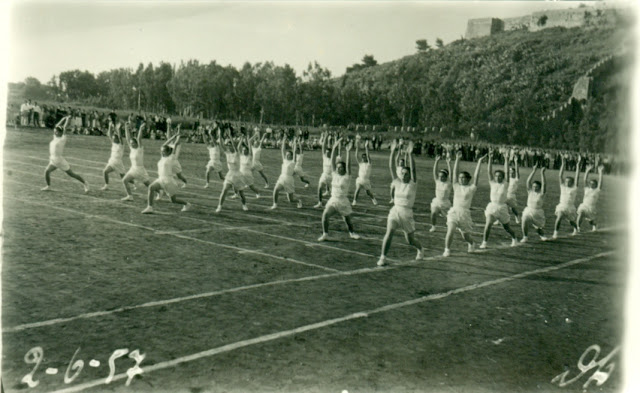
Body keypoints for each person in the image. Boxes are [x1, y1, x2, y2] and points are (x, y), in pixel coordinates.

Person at [377, 141, 423, 266]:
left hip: (407, 213)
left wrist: (410, 154)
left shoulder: (413, 185)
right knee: (389, 232)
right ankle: (383, 257)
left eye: (406, 174)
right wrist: (392, 151)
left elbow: (413, 169)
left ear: (410, 175)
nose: (403, 175)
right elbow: (391, 167)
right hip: (395, 211)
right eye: (402, 173)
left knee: (410, 240)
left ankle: (420, 249)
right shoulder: (397, 182)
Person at [443, 151, 486, 257]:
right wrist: (457, 159)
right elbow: (454, 173)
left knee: (465, 236)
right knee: (451, 229)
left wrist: (479, 162)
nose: (461, 179)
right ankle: (447, 249)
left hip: (464, 214)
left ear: (468, 179)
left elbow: (476, 177)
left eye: (464, 178)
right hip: (454, 211)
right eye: (460, 178)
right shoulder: (456, 186)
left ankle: (472, 243)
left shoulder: (471, 188)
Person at [318, 138, 361, 241]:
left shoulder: (347, 176)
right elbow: (332, 160)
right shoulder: (334, 174)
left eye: (341, 167)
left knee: (347, 220)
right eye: (338, 167)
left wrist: (348, 151)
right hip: (333, 200)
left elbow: (349, 164)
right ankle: (325, 234)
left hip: (343, 201)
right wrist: (334, 147)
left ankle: (352, 233)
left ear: (344, 169)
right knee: (325, 215)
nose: (339, 168)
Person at [142, 134, 191, 214]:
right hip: (160, 179)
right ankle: (149, 207)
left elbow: (175, 146)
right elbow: (163, 145)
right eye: (162, 152)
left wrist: (178, 138)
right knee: (151, 187)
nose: (162, 153)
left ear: (169, 152)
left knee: (173, 200)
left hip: (169, 181)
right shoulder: (163, 157)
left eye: (164, 151)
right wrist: (173, 136)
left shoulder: (172, 157)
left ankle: (187, 204)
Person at [479, 149, 518, 249]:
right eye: (496, 176)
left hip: (502, 207)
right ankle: (484, 242)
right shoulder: (492, 183)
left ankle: (514, 238)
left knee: (507, 228)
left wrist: (506, 159)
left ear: (503, 177)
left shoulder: (505, 184)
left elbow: (506, 172)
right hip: (492, 206)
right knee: (488, 224)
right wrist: (490, 158)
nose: (497, 177)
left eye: (500, 176)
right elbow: (489, 171)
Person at [41, 116, 90, 192]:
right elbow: (57, 126)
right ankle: (48, 186)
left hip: (60, 160)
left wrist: (67, 120)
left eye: (57, 131)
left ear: (60, 132)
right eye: (55, 131)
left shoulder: (62, 139)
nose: (55, 131)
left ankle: (85, 183)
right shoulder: (55, 137)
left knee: (72, 174)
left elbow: (64, 128)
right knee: (47, 171)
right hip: (53, 160)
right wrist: (63, 119)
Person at [216, 133, 249, 212]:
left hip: (238, 175)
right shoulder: (227, 153)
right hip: (230, 174)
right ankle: (219, 206)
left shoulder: (237, 153)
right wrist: (220, 134)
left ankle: (244, 205)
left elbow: (235, 146)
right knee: (224, 190)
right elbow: (221, 145)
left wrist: (230, 136)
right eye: (228, 145)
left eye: (230, 145)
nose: (229, 146)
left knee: (241, 194)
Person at [270, 136, 303, 209]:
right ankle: (275, 204)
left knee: (291, 200)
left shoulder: (293, 162)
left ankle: (298, 201)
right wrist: (284, 140)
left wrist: (295, 142)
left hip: (289, 180)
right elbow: (282, 150)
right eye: (286, 154)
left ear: (291, 156)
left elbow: (294, 152)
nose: (287, 155)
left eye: (289, 155)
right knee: (276, 189)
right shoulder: (284, 160)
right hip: (282, 177)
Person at [553, 155, 581, 238]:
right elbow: (560, 176)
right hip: (562, 206)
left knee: (571, 221)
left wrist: (578, 165)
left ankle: (576, 229)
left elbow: (577, 176)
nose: (567, 183)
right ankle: (555, 233)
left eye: (569, 182)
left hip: (570, 207)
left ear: (572, 182)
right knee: (559, 217)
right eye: (566, 181)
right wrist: (563, 163)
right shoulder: (563, 187)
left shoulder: (574, 188)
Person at [121, 121, 151, 201]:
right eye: (131, 143)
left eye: (133, 143)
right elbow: (127, 138)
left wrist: (141, 128)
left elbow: (139, 138)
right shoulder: (131, 148)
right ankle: (130, 196)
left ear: (137, 143)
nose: (131, 144)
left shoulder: (140, 148)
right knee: (124, 180)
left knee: (148, 185)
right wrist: (126, 128)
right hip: (133, 169)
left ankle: (159, 191)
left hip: (140, 169)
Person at [520, 164, 548, 242]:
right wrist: (533, 170)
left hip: (538, 212)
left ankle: (542, 235)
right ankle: (525, 237)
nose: (535, 188)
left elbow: (544, 184)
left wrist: (542, 173)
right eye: (534, 186)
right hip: (529, 210)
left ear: (539, 187)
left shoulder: (542, 193)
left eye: (537, 187)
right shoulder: (530, 191)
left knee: (538, 228)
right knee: (524, 219)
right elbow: (528, 181)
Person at [577, 163, 604, 232]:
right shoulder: (586, 189)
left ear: (596, 185)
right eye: (590, 183)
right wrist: (587, 171)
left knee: (591, 221)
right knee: (581, 213)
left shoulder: (597, 190)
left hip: (591, 208)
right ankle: (577, 228)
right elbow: (584, 180)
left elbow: (601, 181)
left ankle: (595, 225)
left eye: (593, 184)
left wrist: (600, 172)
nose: (591, 185)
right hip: (584, 205)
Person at [429, 153, 452, 232]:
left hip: (445, 203)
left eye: (443, 176)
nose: (441, 178)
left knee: (449, 219)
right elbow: (434, 172)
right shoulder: (437, 181)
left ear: (446, 177)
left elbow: (451, 174)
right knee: (433, 213)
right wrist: (436, 161)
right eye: (440, 176)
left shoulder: (449, 183)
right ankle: (433, 226)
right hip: (437, 201)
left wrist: (448, 163)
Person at [100, 121, 126, 190]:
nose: (113, 139)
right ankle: (106, 185)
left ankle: (133, 183)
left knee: (124, 177)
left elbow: (120, 137)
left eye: (115, 138)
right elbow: (109, 135)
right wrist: (110, 126)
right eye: (113, 138)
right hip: (112, 162)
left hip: (119, 163)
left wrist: (119, 129)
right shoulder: (113, 143)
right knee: (105, 171)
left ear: (117, 139)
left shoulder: (121, 145)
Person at [352, 139, 378, 206]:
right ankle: (354, 201)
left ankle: (373, 199)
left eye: (365, 157)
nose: (364, 158)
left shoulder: (369, 163)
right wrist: (357, 147)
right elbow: (356, 156)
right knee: (357, 189)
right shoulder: (360, 163)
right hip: (360, 179)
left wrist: (366, 147)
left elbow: (368, 156)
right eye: (363, 157)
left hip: (366, 180)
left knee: (368, 192)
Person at [314, 132, 333, 208]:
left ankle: (333, 204)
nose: (327, 153)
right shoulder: (324, 157)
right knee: (319, 187)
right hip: (324, 175)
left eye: (329, 153)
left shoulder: (334, 158)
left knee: (334, 193)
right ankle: (320, 202)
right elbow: (323, 147)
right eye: (327, 152)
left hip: (332, 176)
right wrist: (325, 137)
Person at [506, 154, 521, 224]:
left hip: (512, 195)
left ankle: (517, 216)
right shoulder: (506, 179)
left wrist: (516, 162)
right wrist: (506, 159)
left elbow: (518, 171)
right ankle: (499, 218)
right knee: (501, 206)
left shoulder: (516, 179)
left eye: (513, 172)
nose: (511, 173)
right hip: (504, 194)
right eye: (510, 172)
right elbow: (506, 171)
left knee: (513, 208)